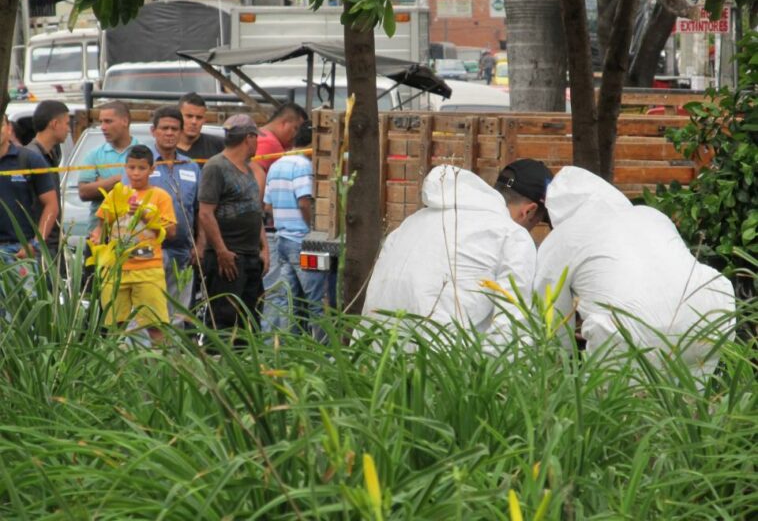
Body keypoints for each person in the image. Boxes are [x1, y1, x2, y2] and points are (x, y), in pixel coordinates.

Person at [534, 166, 735, 378]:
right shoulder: (652, 215)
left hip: (631, 336)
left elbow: (551, 317)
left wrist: (556, 370)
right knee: (689, 404)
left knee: (613, 407)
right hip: (707, 320)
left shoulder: (564, 236)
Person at [361, 159, 553, 347]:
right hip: (442, 368)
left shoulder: (410, 223)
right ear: (529, 211)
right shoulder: (512, 235)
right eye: (535, 224)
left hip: (375, 358)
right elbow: (510, 329)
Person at [93, 145, 177, 342]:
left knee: (155, 325)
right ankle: (116, 367)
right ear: (125, 168)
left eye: (141, 168)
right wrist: (97, 236)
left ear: (152, 169)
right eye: (131, 168)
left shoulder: (160, 196)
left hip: (148, 269)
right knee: (115, 326)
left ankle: (161, 368)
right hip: (116, 269)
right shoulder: (116, 193)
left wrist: (144, 215)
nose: (136, 173)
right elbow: (102, 225)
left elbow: (171, 232)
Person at [198, 114, 269, 333]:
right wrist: (222, 251)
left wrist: (264, 248)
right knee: (224, 319)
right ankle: (220, 363)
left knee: (251, 318)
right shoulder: (216, 167)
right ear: (249, 138)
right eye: (256, 138)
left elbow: (253, 209)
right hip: (228, 258)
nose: (257, 142)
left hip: (249, 256)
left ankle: (247, 363)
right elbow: (206, 214)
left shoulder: (248, 169)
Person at [261, 121, 327, 338]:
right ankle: (325, 353)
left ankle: (284, 347)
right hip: (300, 240)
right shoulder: (303, 166)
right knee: (316, 302)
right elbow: (304, 202)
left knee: (287, 299)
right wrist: (313, 230)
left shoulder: (276, 165)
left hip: (281, 238)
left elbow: (268, 206)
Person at [142, 106, 201, 325]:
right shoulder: (141, 164)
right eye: (164, 128)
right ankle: (146, 358)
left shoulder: (191, 167)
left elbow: (198, 209)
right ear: (153, 131)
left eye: (175, 129)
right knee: (148, 312)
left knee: (177, 314)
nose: (170, 133)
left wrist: (199, 244)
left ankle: (172, 358)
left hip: (182, 252)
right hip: (149, 251)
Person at [0, 114, 58, 263]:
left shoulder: (29, 160)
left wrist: (35, 244)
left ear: (8, 128)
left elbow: (51, 205)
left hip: (19, 251)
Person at [78, 101, 139, 233]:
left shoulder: (144, 152)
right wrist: (117, 180)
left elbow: (147, 189)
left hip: (133, 235)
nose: (103, 127)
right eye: (101, 122)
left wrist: (102, 184)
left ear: (125, 121)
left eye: (108, 121)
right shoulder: (93, 155)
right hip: (99, 234)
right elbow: (83, 192)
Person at [26, 100, 69, 258]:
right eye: (67, 123)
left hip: (53, 243)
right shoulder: (31, 157)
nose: (68, 129)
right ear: (55, 124)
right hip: (39, 245)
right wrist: (37, 243)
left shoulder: (51, 155)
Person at [255, 102, 308, 172]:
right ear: (285, 123)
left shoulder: (258, 134)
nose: (297, 135)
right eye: (296, 128)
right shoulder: (271, 144)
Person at [176, 92, 224, 165]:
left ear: (204, 119)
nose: (194, 122)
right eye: (189, 116)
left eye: (199, 117)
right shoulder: (164, 148)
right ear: (178, 116)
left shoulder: (219, 146)